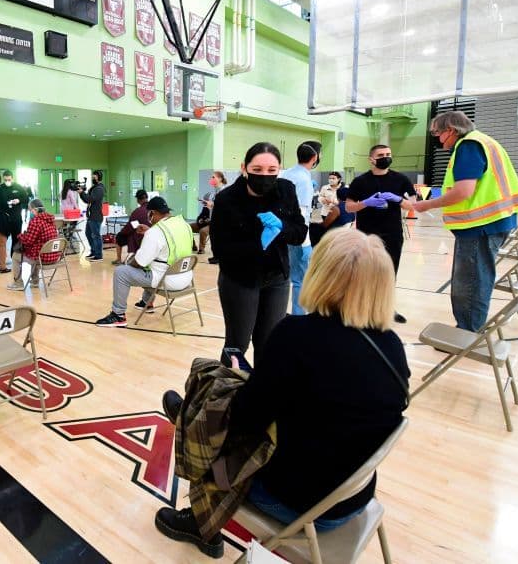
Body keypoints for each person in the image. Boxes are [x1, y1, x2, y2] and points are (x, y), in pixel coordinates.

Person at [155, 228, 409, 557]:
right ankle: (189, 415)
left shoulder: (297, 336)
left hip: (299, 502)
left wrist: (240, 382)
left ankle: (200, 522)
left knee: (213, 426)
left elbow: (244, 421)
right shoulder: (392, 345)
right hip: (353, 494)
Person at [413, 111, 518, 331]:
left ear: (451, 130)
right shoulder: (485, 142)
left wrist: (427, 204)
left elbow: (463, 191)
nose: (438, 139)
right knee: (478, 276)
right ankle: (470, 327)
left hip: (481, 225)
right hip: (494, 221)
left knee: (471, 281)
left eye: (438, 133)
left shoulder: (468, 146)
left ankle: (467, 332)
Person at [209, 143, 307, 362]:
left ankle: (261, 393)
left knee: (269, 342)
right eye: (258, 170)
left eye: (272, 170)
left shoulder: (285, 190)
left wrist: (282, 226)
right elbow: (220, 250)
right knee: (237, 343)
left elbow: (299, 232)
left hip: (277, 277)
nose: (265, 175)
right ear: (244, 168)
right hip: (240, 279)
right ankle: (226, 392)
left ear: (279, 169)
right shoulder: (227, 200)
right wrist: (258, 244)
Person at [95, 196, 194, 327]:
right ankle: (147, 303)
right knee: (154, 264)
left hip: (167, 281)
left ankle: (118, 315)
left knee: (122, 272)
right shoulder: (184, 225)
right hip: (186, 278)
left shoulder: (155, 232)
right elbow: (170, 242)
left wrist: (128, 264)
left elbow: (140, 262)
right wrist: (150, 232)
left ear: (152, 213)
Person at [346, 144, 418, 324]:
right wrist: (366, 203)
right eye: (381, 155)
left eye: (388, 154)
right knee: (365, 272)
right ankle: (362, 308)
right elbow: (349, 206)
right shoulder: (360, 181)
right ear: (371, 159)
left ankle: (386, 309)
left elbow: (414, 205)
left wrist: (399, 199)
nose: (385, 157)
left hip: (392, 234)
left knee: (389, 273)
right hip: (367, 236)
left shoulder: (401, 179)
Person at [281, 141, 321, 315]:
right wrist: (305, 242)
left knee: (283, 278)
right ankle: (299, 316)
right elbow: (303, 213)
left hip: (281, 232)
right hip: (298, 236)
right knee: (300, 280)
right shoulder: (304, 180)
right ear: (314, 158)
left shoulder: (286, 173)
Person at [7, 199, 61, 291]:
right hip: (54, 256)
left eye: (30, 210)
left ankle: (18, 283)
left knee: (16, 256)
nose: (30, 212)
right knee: (35, 250)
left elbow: (28, 241)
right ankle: (35, 281)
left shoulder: (36, 222)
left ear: (35, 210)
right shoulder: (51, 220)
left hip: (42, 258)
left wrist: (20, 236)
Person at [190, 171, 227, 256]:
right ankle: (193, 246)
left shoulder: (225, 192)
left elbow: (225, 208)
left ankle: (202, 249)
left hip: (218, 223)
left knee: (203, 231)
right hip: (209, 220)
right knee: (188, 227)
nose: (211, 179)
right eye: (211, 177)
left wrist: (213, 205)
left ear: (220, 179)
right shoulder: (213, 193)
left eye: (213, 177)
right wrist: (200, 219)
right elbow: (206, 210)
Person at [112, 189, 150, 265]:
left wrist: (122, 232)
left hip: (140, 235)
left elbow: (130, 226)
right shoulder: (153, 210)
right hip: (151, 233)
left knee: (119, 237)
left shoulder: (138, 211)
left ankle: (119, 259)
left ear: (138, 200)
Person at [79, 170, 106, 262]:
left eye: (94, 176)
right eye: (92, 176)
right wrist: (82, 192)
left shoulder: (99, 189)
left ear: (99, 177)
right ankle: (94, 252)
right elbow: (87, 200)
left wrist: (81, 193)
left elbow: (90, 199)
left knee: (96, 235)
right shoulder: (95, 188)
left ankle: (99, 256)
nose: (92, 178)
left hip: (96, 216)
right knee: (88, 234)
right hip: (91, 216)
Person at [0, 169, 29, 251]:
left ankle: (14, 258)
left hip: (16, 218)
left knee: (16, 240)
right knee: (2, 240)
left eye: (9, 180)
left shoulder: (18, 187)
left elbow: (26, 198)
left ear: (12, 178)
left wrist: (19, 200)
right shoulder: (0, 188)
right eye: (5, 180)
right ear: (3, 179)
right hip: (4, 219)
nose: (7, 181)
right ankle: (0, 260)